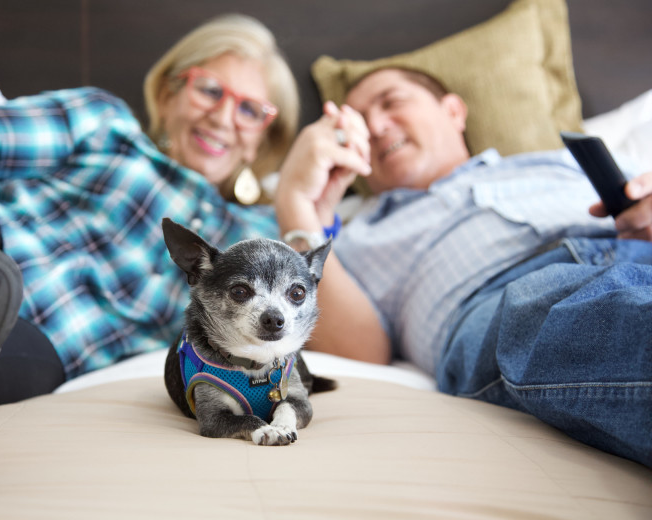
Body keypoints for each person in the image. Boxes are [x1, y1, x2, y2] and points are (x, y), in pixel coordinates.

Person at [0, 13, 299, 463]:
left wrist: (300, 201)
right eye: (209, 90)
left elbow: (308, 316)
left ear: (263, 140)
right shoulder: (106, 126)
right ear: (169, 93)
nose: (223, 116)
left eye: (249, 110)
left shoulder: (256, 243)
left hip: (44, 341)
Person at [274, 66, 652, 467]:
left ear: (453, 111)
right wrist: (296, 205)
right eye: (362, 123)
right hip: (509, 301)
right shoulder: (356, 237)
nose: (378, 126)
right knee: (550, 309)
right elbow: (359, 349)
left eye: (393, 102)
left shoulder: (558, 162)